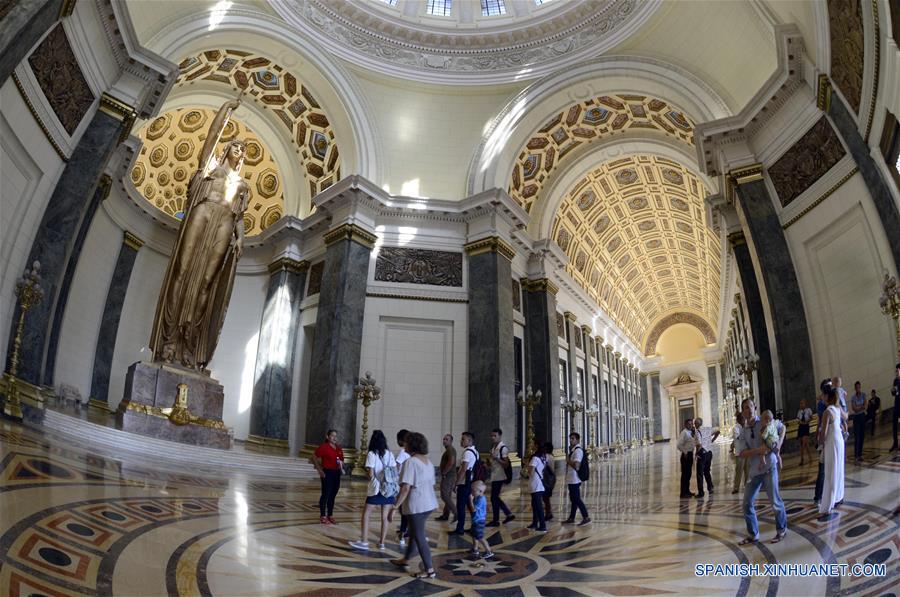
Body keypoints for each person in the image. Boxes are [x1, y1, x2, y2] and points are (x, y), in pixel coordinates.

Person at [736, 398, 788, 545]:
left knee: (775, 501)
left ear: (755, 407)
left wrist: (779, 443)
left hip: (769, 467)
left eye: (751, 406)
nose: (749, 409)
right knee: (747, 503)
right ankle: (753, 534)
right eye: (745, 408)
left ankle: (781, 530)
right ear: (743, 412)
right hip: (754, 472)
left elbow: (782, 427)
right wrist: (758, 450)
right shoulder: (743, 431)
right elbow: (741, 453)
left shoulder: (765, 420)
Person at [388, 432, 438, 579]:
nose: (404, 445)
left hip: (417, 505)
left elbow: (405, 488)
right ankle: (406, 559)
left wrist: (395, 507)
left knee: (419, 536)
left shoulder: (411, 462)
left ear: (411, 445)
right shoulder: (427, 461)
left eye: (406, 442)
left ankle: (429, 570)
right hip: (428, 502)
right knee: (414, 533)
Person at [349, 430, 396, 551]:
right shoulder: (390, 454)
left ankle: (364, 541)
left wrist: (368, 476)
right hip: (388, 488)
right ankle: (382, 543)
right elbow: (394, 471)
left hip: (377, 488)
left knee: (366, 514)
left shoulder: (371, 454)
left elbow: (370, 474)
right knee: (384, 517)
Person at [818, 388, 845, 518]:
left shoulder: (827, 412)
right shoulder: (837, 409)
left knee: (830, 473)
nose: (821, 397)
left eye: (823, 395)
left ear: (827, 396)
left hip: (832, 443)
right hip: (839, 441)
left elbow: (823, 434)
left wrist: (819, 442)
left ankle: (827, 506)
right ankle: (838, 497)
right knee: (838, 470)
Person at [312, 429, 344, 525]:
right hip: (327, 472)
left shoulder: (338, 448)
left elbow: (341, 460)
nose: (334, 438)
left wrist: (341, 464)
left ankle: (330, 515)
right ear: (327, 436)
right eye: (333, 435)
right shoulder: (324, 447)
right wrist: (320, 470)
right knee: (326, 493)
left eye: (336, 436)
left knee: (333, 494)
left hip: (336, 473)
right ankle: (322, 515)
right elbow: (314, 457)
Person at [449, 431, 477, 536]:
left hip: (464, 482)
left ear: (469, 440)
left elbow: (463, 469)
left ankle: (460, 528)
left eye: (463, 439)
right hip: (469, 481)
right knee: (470, 505)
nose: (461, 441)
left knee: (461, 506)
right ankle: (474, 526)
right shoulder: (475, 452)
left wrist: (456, 483)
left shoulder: (467, 453)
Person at [488, 428, 515, 526]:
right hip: (495, 475)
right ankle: (508, 514)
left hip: (500, 476)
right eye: (491, 436)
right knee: (494, 497)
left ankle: (496, 520)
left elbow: (506, 464)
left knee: (494, 498)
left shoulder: (503, 448)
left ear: (500, 436)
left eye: (494, 436)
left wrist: (496, 458)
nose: (492, 438)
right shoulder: (493, 447)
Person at [563, 432, 590, 525]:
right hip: (572, 478)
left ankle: (586, 516)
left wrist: (568, 461)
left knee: (576, 499)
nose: (571, 440)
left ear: (578, 440)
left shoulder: (578, 451)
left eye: (573, 438)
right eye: (570, 438)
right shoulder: (573, 450)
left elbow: (577, 466)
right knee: (574, 498)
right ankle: (571, 517)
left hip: (575, 479)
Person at [693, 417, 720, 497]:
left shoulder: (697, 432)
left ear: (697, 424)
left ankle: (701, 493)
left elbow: (699, 445)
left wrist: (696, 454)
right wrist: (711, 441)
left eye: (695, 423)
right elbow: (718, 431)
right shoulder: (708, 429)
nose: (694, 425)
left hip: (702, 453)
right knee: (707, 471)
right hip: (709, 453)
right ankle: (710, 487)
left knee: (699, 473)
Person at [526, 439, 548, 532]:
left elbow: (530, 472)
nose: (531, 446)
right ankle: (535, 523)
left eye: (533, 444)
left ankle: (542, 525)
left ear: (536, 446)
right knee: (534, 504)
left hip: (535, 483)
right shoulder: (543, 457)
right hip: (539, 483)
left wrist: (527, 464)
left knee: (538, 506)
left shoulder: (535, 458)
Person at [469, 480, 494, 559]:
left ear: (480, 491)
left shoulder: (481, 499)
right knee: (474, 535)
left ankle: (488, 551)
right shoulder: (478, 497)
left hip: (479, 521)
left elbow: (473, 510)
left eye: (473, 490)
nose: (471, 492)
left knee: (480, 537)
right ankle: (475, 549)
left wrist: (470, 500)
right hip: (475, 520)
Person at [436, 433, 457, 521]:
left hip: (449, 476)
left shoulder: (450, 450)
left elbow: (451, 462)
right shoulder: (449, 450)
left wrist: (444, 472)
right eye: (444, 439)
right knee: (447, 495)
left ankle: (456, 513)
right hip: (449, 475)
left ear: (451, 441)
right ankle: (445, 515)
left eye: (446, 439)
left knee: (444, 496)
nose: (444, 441)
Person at [395, 430, 411, 544]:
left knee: (403, 508)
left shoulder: (403, 452)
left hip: (404, 483)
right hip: (411, 483)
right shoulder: (412, 452)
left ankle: (403, 531)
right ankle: (406, 529)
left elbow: (397, 466)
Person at [731, 411, 748, 494]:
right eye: (742, 419)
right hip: (740, 453)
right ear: (738, 420)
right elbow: (738, 437)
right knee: (739, 470)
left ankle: (747, 485)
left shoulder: (746, 426)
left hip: (747, 451)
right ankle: (736, 487)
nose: (743, 420)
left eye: (744, 418)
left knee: (747, 470)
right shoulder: (735, 428)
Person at [849, 381, 867, 461]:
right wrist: (861, 406)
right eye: (856, 387)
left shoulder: (863, 395)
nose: (858, 389)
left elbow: (865, 406)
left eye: (859, 387)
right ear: (855, 388)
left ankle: (860, 455)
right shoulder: (853, 397)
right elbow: (854, 408)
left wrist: (859, 407)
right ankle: (856, 455)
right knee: (857, 436)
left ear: (860, 387)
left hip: (862, 416)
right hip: (856, 417)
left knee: (862, 436)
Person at [677, 418, 695, 498]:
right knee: (685, 475)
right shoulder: (683, 432)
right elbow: (679, 445)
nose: (690, 425)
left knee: (689, 474)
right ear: (685, 425)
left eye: (691, 424)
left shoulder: (691, 432)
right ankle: (683, 493)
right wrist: (685, 452)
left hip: (690, 454)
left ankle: (687, 491)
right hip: (686, 455)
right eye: (689, 424)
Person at [540, 441, 556, 520]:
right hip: (551, 478)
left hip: (546, 479)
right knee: (546, 497)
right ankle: (548, 512)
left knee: (545, 497)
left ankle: (548, 513)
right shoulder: (552, 456)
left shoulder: (546, 456)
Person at [797, 399, 813, 465]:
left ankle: (802, 459)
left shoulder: (808, 410)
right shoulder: (799, 411)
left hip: (806, 426)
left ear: (805, 404)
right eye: (800, 403)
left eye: (802, 403)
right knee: (804, 444)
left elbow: (811, 417)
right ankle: (810, 458)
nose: (801, 405)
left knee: (804, 442)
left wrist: (807, 421)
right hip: (801, 427)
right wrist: (800, 421)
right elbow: (798, 419)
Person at [892, 364, 900, 452]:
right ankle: (895, 444)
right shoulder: (895, 380)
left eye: (897, 370)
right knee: (894, 426)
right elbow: (894, 393)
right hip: (896, 406)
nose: (896, 372)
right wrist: (893, 391)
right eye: (896, 371)